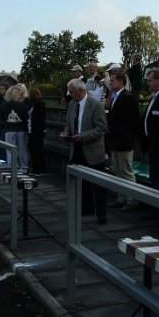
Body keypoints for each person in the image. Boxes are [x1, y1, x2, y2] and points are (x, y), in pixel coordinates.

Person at [63, 78, 108, 224]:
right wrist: (66, 132)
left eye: (71, 92)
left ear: (81, 91)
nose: (69, 94)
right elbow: (68, 122)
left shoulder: (95, 105)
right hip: (76, 149)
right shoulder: (72, 104)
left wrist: (83, 136)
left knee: (98, 185)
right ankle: (86, 209)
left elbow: (101, 128)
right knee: (81, 183)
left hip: (93, 151)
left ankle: (101, 215)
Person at [106, 69, 140, 211]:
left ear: (121, 81)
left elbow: (134, 120)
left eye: (112, 80)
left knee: (126, 171)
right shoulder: (114, 97)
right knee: (117, 171)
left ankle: (132, 199)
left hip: (124, 141)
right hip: (114, 140)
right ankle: (121, 197)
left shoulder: (128, 97)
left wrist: (127, 136)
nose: (110, 82)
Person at [141, 69, 159, 193]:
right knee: (154, 176)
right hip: (152, 145)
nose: (148, 83)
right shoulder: (155, 96)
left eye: (150, 80)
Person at [0, 83, 29, 171]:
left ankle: (13, 167)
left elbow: (1, 118)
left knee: (10, 150)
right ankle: (24, 167)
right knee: (22, 149)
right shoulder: (23, 106)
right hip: (21, 130)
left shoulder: (4, 105)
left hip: (9, 129)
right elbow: (26, 118)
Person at [28, 87, 46, 174]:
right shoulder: (34, 104)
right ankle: (37, 168)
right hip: (34, 130)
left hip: (37, 131)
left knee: (37, 150)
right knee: (35, 150)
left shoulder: (40, 104)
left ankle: (38, 169)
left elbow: (40, 118)